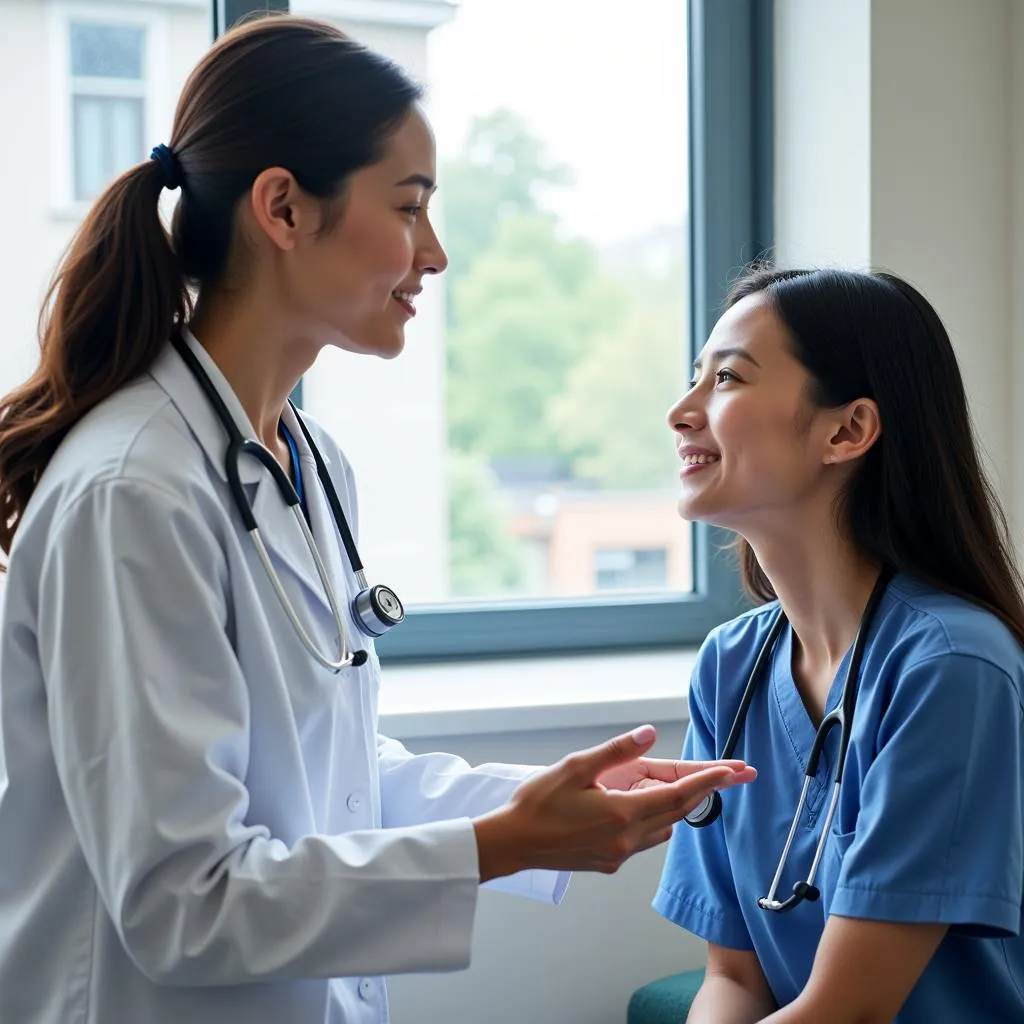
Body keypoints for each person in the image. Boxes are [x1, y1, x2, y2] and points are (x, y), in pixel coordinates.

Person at [0, 15, 755, 1024]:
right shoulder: (133, 492)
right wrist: (505, 843)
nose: (433, 253)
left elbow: (334, 782)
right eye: (408, 208)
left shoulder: (306, 465)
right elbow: (181, 901)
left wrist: (547, 801)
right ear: (283, 208)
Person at [653, 265, 1024, 1023]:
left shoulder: (952, 666)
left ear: (848, 430)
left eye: (726, 380)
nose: (681, 413)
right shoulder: (731, 666)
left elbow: (848, 1009)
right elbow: (731, 979)